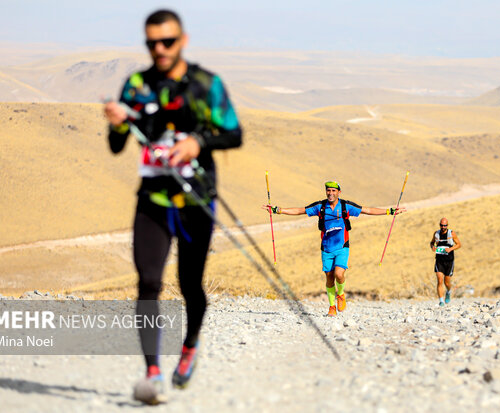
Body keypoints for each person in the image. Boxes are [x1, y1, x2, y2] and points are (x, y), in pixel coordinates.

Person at [104, 9, 242, 402]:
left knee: (189, 285)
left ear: (182, 40)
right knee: (148, 281)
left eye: (167, 42)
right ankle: (153, 373)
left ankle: (190, 344)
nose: (159, 49)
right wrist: (116, 122)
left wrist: (199, 142)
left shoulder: (205, 84)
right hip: (152, 199)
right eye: (151, 43)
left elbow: (234, 134)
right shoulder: (135, 85)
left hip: (196, 198)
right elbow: (116, 146)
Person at [265, 181, 405, 316]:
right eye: (328, 190)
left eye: (333, 191)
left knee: (339, 274)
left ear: (339, 192)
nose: (330, 193)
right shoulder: (320, 206)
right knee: (329, 277)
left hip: (342, 246)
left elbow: (367, 210)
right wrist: (278, 210)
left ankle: (341, 294)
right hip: (326, 248)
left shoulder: (345, 206)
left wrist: (390, 211)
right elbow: (300, 210)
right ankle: (332, 306)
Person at [430, 218, 461, 307]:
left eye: (445, 225)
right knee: (439, 280)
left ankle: (448, 291)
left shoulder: (451, 233)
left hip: (449, 261)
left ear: (447, 225)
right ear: (439, 225)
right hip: (439, 260)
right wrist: (432, 247)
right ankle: (441, 301)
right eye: (442, 225)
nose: (443, 227)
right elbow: (432, 242)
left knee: (447, 282)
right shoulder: (436, 234)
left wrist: (450, 249)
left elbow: (459, 244)